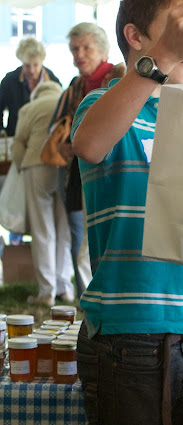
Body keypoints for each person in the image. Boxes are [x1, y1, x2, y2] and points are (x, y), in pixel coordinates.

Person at [70, 0, 183, 425]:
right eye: (173, 30)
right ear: (135, 36)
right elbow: (87, 143)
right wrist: (158, 61)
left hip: (177, 335)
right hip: (126, 338)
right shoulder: (103, 103)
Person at [50, 22, 115, 300]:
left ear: (103, 50)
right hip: (78, 174)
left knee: (101, 240)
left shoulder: (119, 78)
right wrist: (64, 146)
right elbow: (60, 124)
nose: (79, 54)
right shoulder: (75, 85)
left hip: (111, 172)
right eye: (75, 48)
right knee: (82, 238)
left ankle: (99, 299)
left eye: (86, 47)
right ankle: (87, 298)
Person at [10, 81, 72, 306]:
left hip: (36, 167)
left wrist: (20, 166)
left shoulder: (29, 108)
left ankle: (46, 292)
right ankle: (65, 288)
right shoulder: (64, 102)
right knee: (64, 230)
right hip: (63, 165)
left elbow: (17, 145)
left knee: (42, 230)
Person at [0, 38, 60, 136]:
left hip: (43, 135)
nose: (31, 70)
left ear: (42, 62)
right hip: (15, 134)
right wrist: (1, 129)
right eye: (27, 65)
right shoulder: (9, 81)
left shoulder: (53, 81)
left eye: (36, 65)